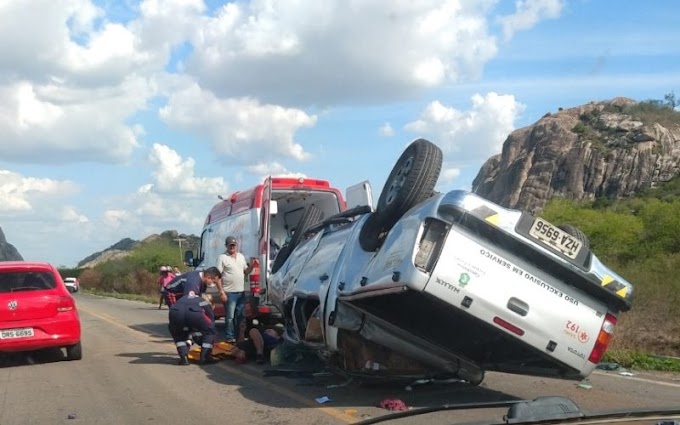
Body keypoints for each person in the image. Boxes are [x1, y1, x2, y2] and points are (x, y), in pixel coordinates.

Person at [215, 236, 255, 343]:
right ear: (226, 246)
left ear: (236, 246)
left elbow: (246, 272)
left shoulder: (241, 257)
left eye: (234, 245)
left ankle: (239, 337)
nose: (232, 247)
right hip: (229, 293)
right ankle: (230, 337)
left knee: (241, 316)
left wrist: (251, 266)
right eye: (230, 245)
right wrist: (221, 292)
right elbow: (217, 276)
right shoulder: (222, 258)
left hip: (240, 292)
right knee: (230, 317)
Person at [168, 292, 219, 365]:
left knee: (179, 334)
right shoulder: (204, 302)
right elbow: (210, 320)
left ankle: (183, 358)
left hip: (175, 313)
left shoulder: (185, 298)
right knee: (210, 332)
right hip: (193, 314)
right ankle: (205, 358)